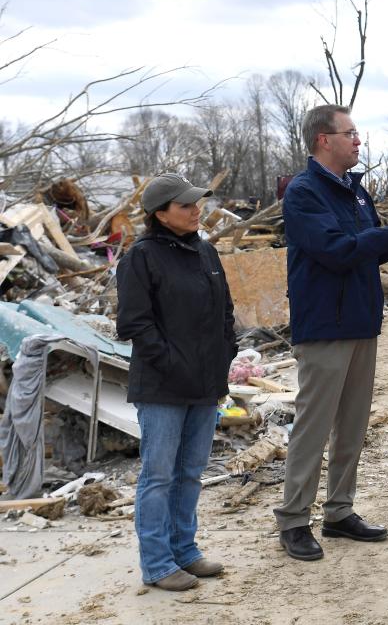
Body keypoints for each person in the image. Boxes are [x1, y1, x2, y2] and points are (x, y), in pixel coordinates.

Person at [274, 104, 388, 560]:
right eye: (350, 133)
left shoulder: (354, 191)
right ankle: (294, 519)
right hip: (324, 328)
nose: (358, 140)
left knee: (352, 426)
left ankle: (339, 512)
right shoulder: (304, 192)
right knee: (314, 428)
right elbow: (337, 251)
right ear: (323, 140)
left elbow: (372, 248)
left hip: (361, 321)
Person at [117, 173, 237, 591]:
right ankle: (157, 563)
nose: (195, 210)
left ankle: (184, 550)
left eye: (195, 204)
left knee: (190, 472)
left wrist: (226, 354)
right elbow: (134, 323)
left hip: (205, 385)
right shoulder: (141, 257)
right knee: (159, 475)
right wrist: (170, 363)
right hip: (163, 388)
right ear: (160, 214)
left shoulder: (205, 251)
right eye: (185, 206)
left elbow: (226, 311)